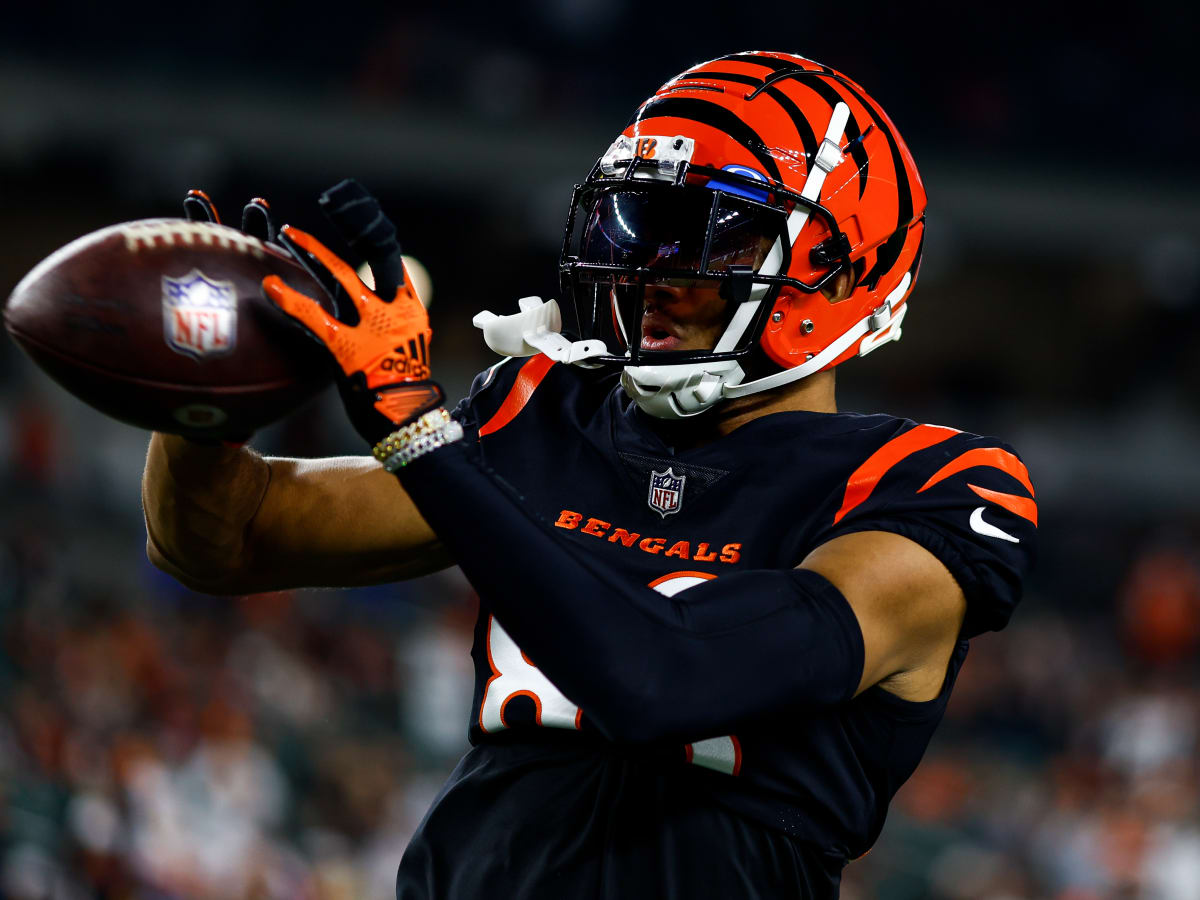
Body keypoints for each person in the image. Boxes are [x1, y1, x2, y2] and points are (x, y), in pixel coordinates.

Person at [142, 51, 1037, 899]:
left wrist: (417, 432)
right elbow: (225, 538)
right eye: (641, 226)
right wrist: (207, 398)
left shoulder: (931, 487)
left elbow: (667, 680)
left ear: (841, 266)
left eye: (711, 240)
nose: (655, 274)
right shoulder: (548, 410)